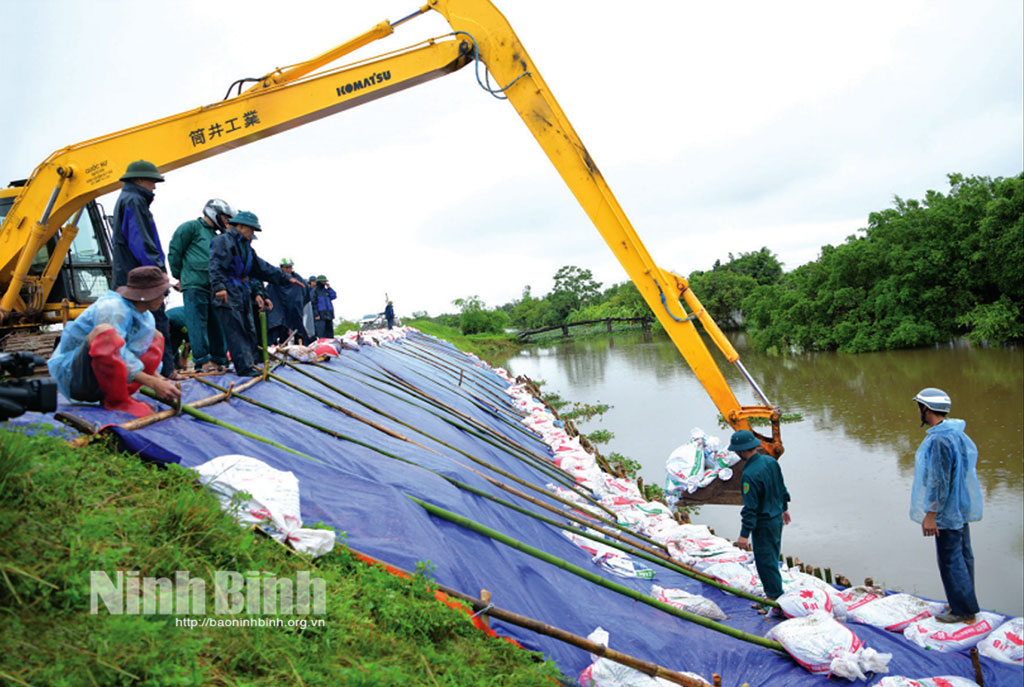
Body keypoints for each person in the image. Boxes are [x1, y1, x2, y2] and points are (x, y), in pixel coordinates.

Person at [47, 266, 182, 418]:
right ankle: (117, 400)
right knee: (104, 333)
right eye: (163, 293)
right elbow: (118, 352)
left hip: (105, 382)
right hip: (78, 379)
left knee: (155, 336)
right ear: (149, 294)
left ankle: (122, 394)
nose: (164, 298)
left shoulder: (146, 317)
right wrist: (153, 383)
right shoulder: (113, 308)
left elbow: (137, 352)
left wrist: (160, 380)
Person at [909, 387, 983, 624]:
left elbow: (938, 480)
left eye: (919, 407)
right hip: (959, 506)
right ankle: (964, 602)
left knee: (950, 558)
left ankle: (962, 611)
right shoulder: (956, 432)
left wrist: (932, 514)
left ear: (926, 409)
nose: (918, 411)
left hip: (947, 511)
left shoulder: (940, 439)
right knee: (963, 555)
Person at [208, 211, 305, 377]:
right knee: (235, 329)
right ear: (240, 226)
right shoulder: (223, 241)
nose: (252, 233)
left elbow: (262, 268)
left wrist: (286, 279)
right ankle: (244, 368)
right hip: (228, 290)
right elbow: (215, 265)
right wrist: (219, 287)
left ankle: (250, 363)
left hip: (242, 292)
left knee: (248, 328)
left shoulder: (247, 249)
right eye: (251, 229)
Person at [110, 159, 176, 379]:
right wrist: (157, 273)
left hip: (132, 274)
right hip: (139, 278)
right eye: (152, 182)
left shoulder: (132, 200)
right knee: (152, 324)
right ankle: (162, 374)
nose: (154, 187)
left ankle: (161, 372)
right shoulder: (133, 201)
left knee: (146, 325)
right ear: (138, 180)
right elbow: (141, 242)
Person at [168, 199, 233, 373]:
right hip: (194, 284)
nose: (226, 221)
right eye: (224, 217)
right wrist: (180, 275)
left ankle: (220, 358)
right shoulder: (191, 228)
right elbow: (175, 251)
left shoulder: (217, 236)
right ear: (213, 212)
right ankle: (202, 360)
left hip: (213, 285)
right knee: (197, 323)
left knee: (217, 323)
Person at [730, 429, 791, 602]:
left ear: (741, 451)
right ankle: (774, 594)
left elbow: (751, 509)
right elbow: (781, 487)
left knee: (766, 563)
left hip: (763, 524)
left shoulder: (749, 475)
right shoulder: (770, 462)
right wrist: (784, 508)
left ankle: (774, 599)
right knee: (771, 557)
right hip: (776, 519)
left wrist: (743, 536)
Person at [266, 258, 311, 345]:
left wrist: (298, 303)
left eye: (290, 267)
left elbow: (305, 294)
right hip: (278, 310)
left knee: (298, 329)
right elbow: (268, 293)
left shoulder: (298, 279)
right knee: (279, 328)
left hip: (294, 309)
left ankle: (299, 347)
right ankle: (279, 346)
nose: (288, 269)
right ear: (281, 267)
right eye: (286, 267)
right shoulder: (275, 278)